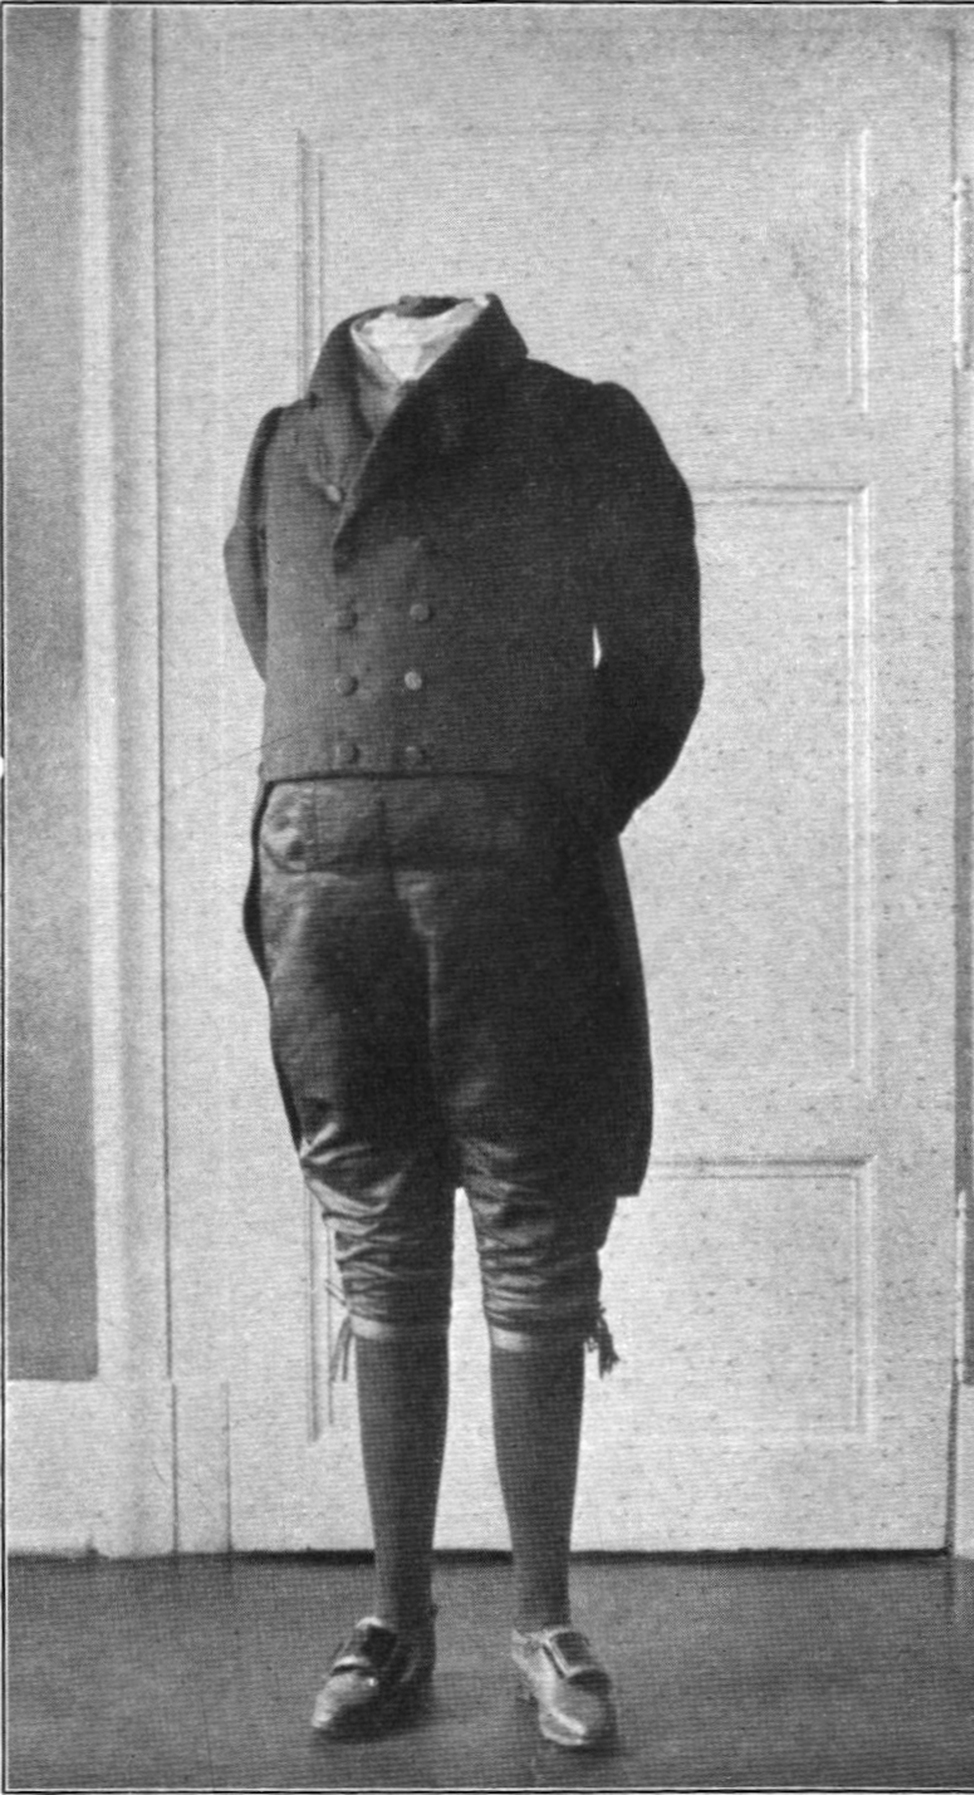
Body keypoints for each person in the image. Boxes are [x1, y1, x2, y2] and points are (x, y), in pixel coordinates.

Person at [224, 293, 702, 1749]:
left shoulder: (583, 429)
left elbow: (659, 672)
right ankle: (396, 1621)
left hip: (516, 889)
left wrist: (538, 804)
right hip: (322, 888)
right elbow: (273, 636)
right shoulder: (281, 445)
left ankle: (544, 1620)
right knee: (378, 1232)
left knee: (536, 1231)